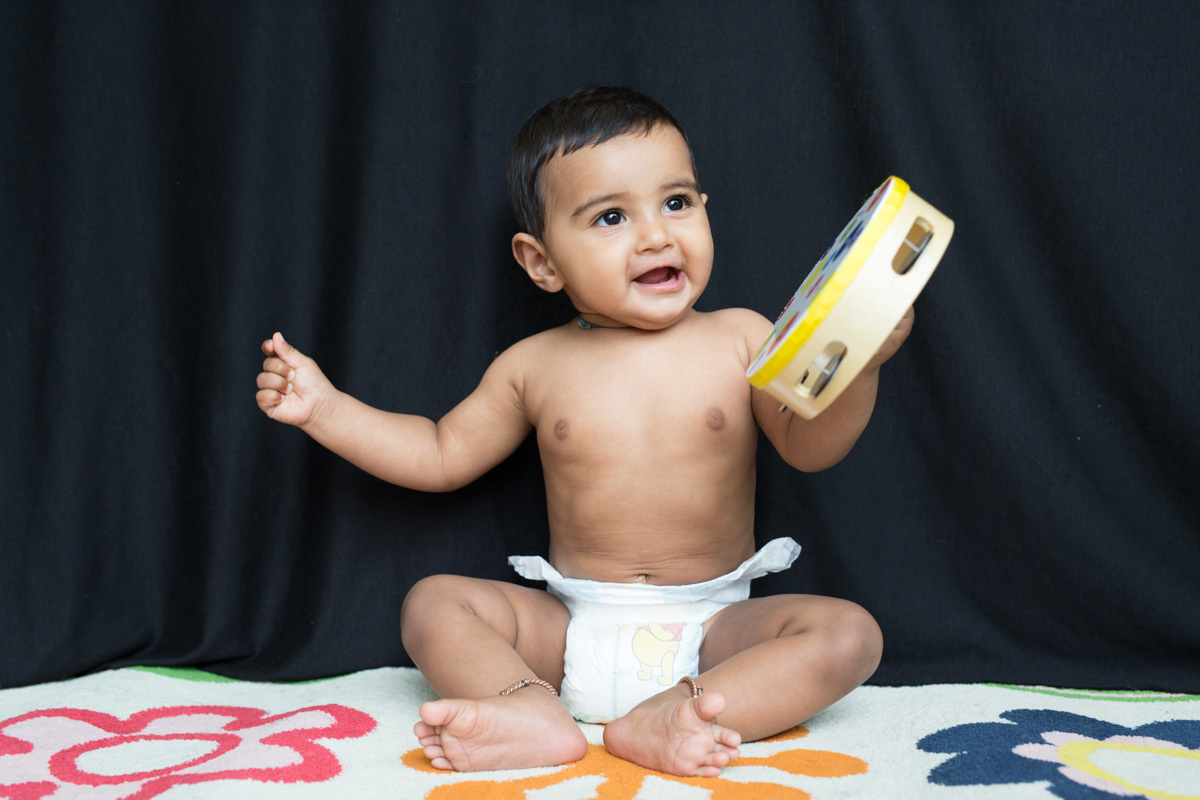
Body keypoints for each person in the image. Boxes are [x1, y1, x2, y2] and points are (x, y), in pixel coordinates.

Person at [255, 86, 911, 778]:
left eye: (677, 203)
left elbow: (811, 447)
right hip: (570, 631)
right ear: (542, 261)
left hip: (717, 631)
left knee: (848, 635)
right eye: (610, 217)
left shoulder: (743, 337)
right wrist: (325, 410)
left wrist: (859, 366)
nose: (657, 234)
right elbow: (439, 453)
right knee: (434, 603)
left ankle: (683, 712)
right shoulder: (534, 366)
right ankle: (525, 706)